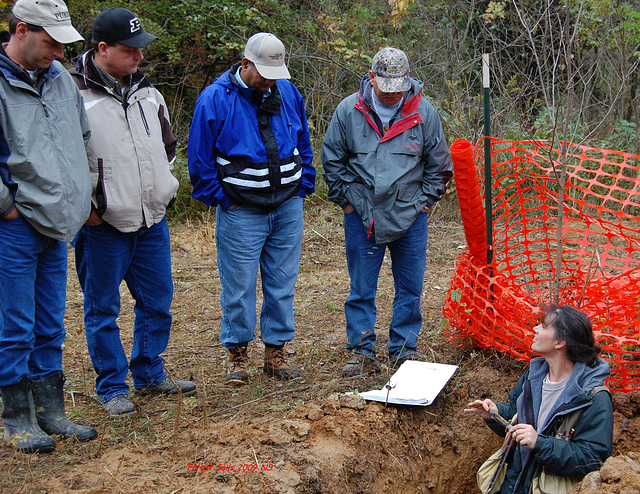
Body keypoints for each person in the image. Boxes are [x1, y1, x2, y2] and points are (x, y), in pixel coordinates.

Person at [70, 7, 195, 418]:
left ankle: (149, 372)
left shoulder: (148, 93)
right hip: (103, 225)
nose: (139, 58)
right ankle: (110, 386)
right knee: (103, 308)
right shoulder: (72, 93)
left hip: (151, 220)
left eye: (141, 50)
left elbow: (168, 146)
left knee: (158, 301)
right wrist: (89, 209)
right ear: (103, 48)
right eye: (130, 50)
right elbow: (64, 159)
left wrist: (164, 189)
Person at [188, 32, 315, 385]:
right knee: (239, 286)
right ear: (245, 64)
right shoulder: (214, 99)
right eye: (262, 74)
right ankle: (238, 355)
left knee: (282, 283)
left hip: (287, 205)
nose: (268, 82)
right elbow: (199, 160)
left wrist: (304, 183)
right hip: (241, 210)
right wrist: (223, 198)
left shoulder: (287, 92)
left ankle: (275, 351)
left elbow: (303, 139)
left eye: (274, 75)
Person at [0, 0, 97, 453]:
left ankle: (51, 411)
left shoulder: (60, 80)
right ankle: (18, 418)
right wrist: (7, 207)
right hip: (15, 223)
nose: (59, 52)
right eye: (51, 42)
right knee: (15, 324)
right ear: (22, 29)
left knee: (49, 322)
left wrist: (80, 198)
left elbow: (80, 139)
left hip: (58, 221)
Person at [322, 47, 453, 377]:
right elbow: (332, 161)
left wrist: (422, 203)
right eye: (386, 87)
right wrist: (349, 203)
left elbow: (439, 166)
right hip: (362, 216)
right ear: (371, 79)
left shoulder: (424, 113)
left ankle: (404, 350)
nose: (393, 94)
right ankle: (362, 350)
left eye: (399, 87)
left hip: (410, 217)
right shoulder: (348, 111)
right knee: (361, 289)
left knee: (410, 288)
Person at [464, 305, 613, 493]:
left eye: (543, 326)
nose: (535, 329)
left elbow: (593, 459)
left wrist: (540, 443)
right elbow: (515, 419)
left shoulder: (592, 396)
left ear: (559, 342)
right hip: (514, 482)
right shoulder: (534, 374)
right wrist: (494, 413)